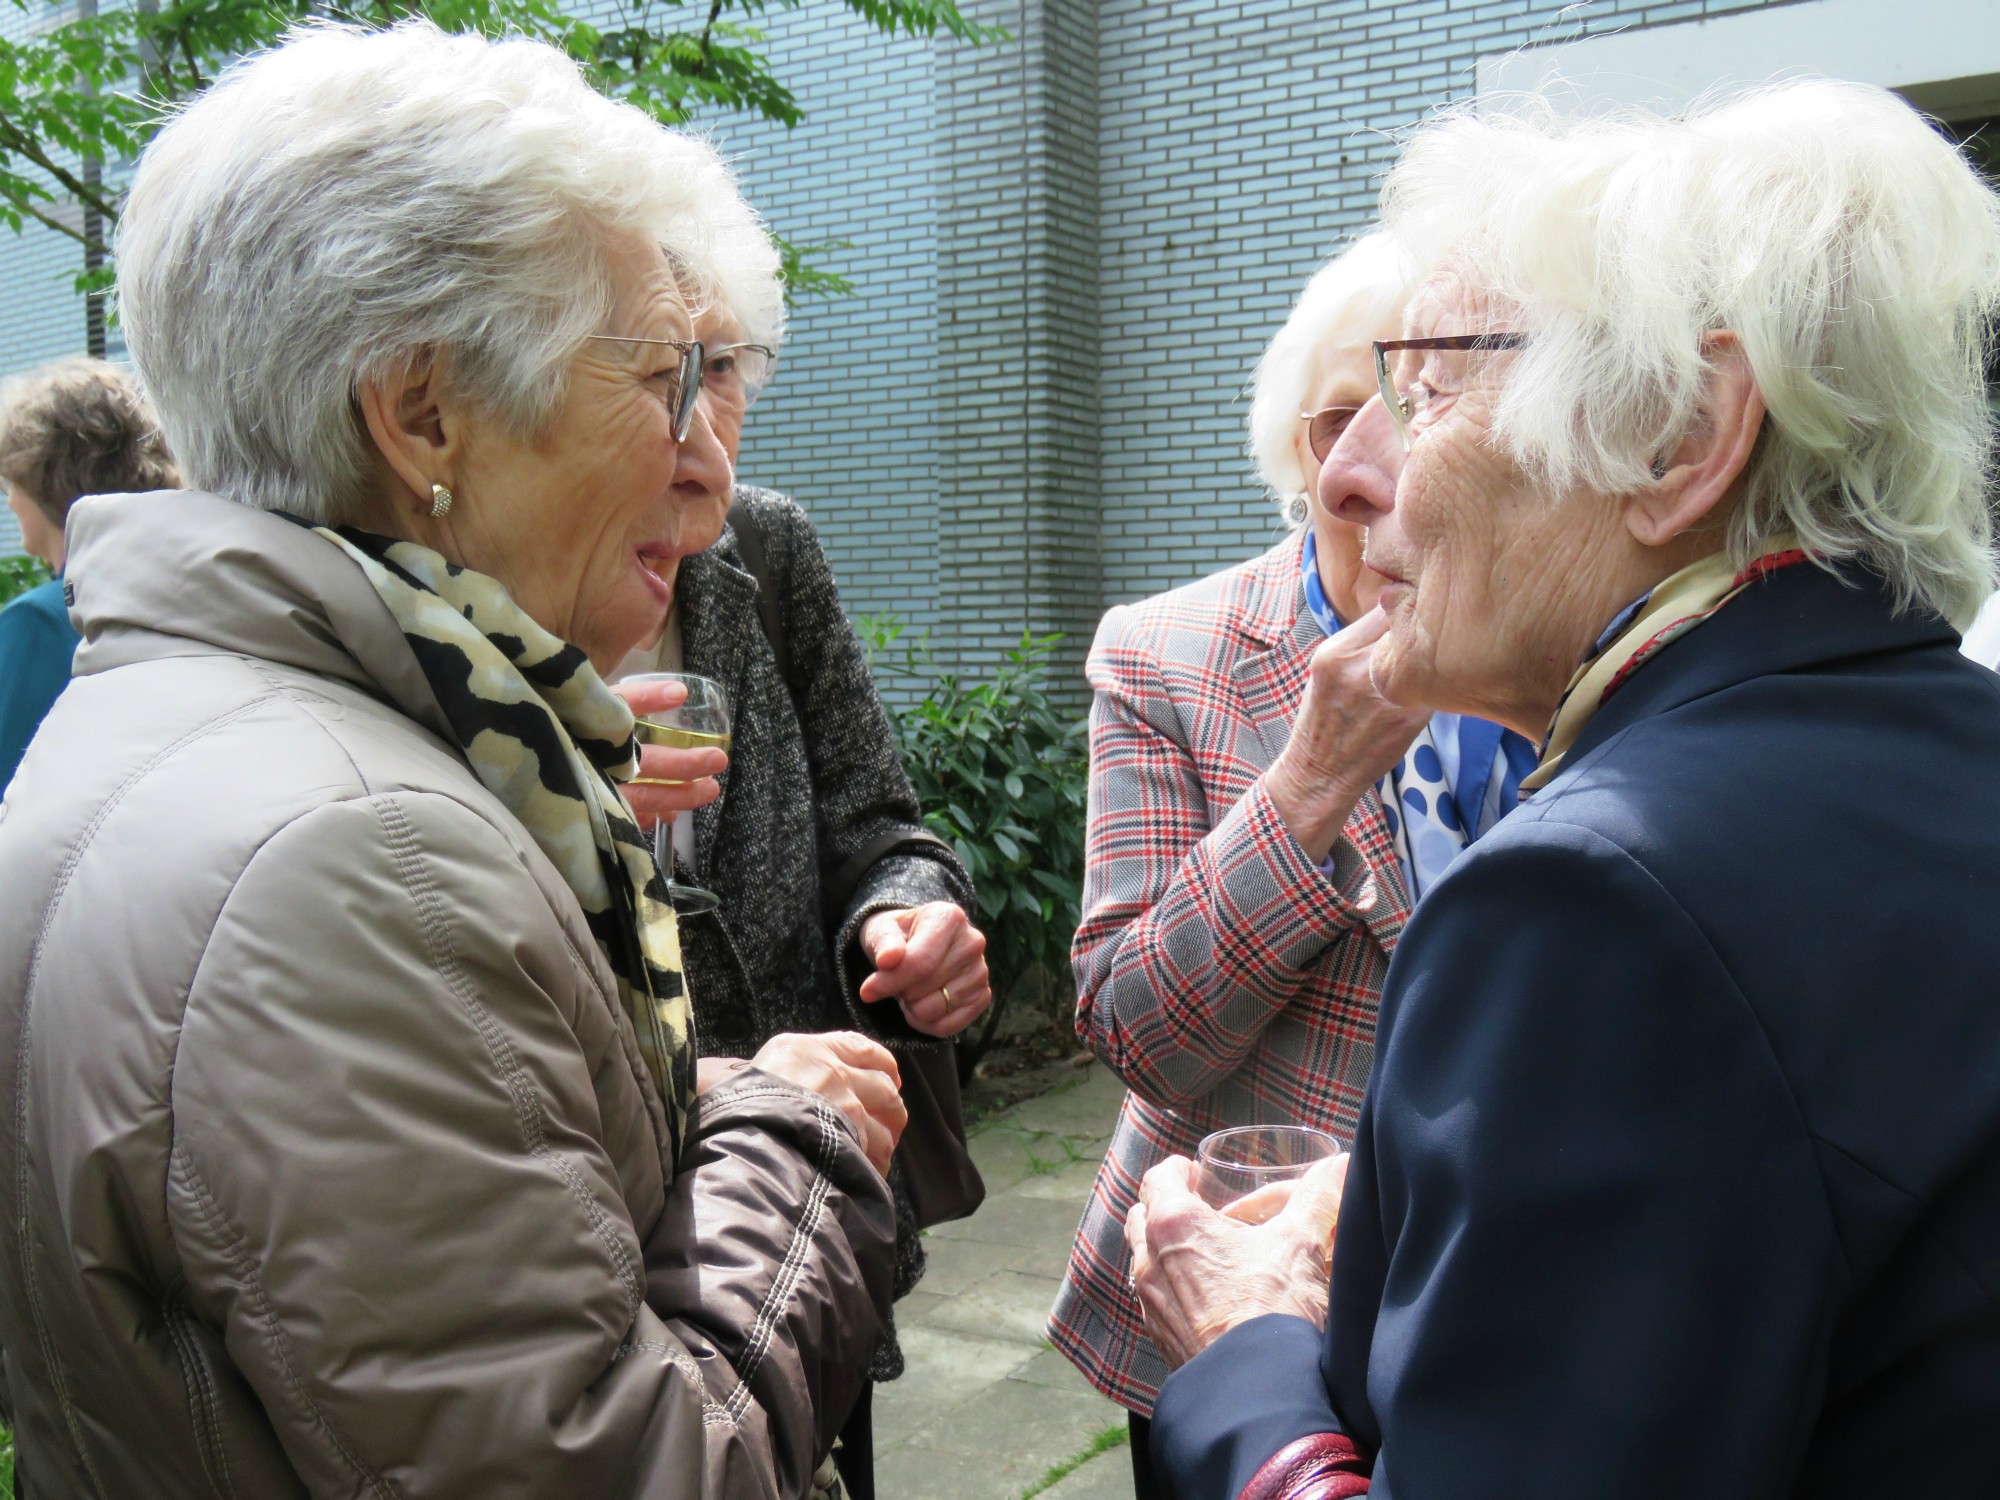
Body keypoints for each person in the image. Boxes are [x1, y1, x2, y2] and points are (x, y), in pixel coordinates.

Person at [0, 22, 912, 1497]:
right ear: (423, 411)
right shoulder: (358, 863)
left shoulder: (169, 719)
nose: (711, 458)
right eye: (662, 379)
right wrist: (791, 1137)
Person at [1129, 80, 2000, 1499]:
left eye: (1426, 387)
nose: (1348, 476)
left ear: (1681, 439)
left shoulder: (1603, 898)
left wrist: (1245, 1362)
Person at [1047, 233, 1534, 1498]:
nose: (1378, 460)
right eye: (1336, 419)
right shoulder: (1166, 652)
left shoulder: (1538, 648)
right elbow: (1132, 1028)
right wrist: (1307, 779)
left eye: (1426, 407)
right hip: (1231, 1281)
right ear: (1298, 451)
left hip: (1477, 1289)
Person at [609, 289, 994, 1499]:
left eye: (723, 368)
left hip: (813, 1195)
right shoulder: (493, 596)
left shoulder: (766, 551)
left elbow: (879, 820)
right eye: (662, 372)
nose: (701, 421)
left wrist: (909, 910)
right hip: (606, 1205)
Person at [0, 358, 178, 789]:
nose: (9, 505)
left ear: (41, 483)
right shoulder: (189, 594)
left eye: (9, 487)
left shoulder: (42, 621)